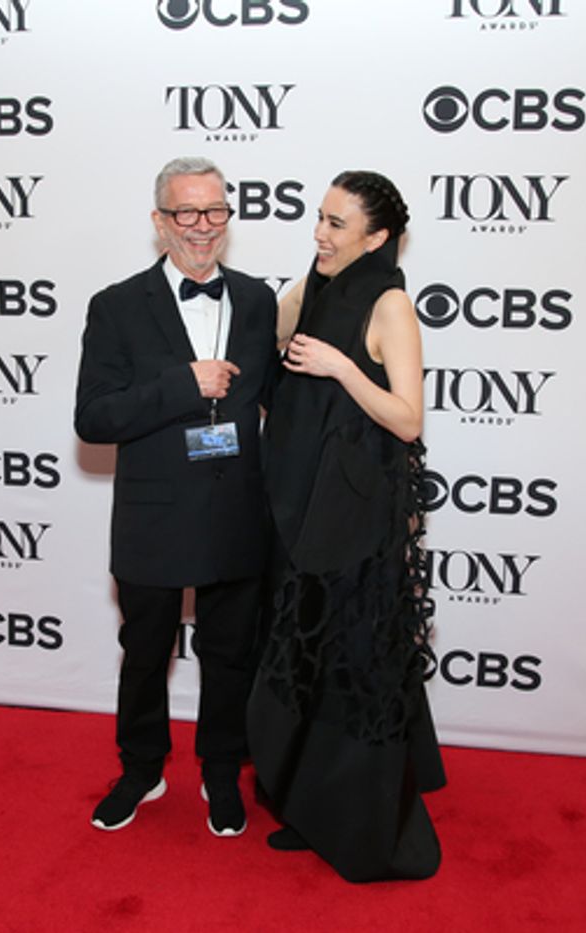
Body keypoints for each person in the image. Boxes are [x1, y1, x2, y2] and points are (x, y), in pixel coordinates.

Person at [247, 170, 446, 881]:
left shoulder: (391, 303)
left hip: (355, 517)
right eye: (319, 218)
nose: (320, 234)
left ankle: (360, 822)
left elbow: (408, 417)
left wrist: (340, 367)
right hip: (299, 504)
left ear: (378, 235)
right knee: (309, 661)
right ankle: (307, 803)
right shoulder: (314, 288)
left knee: (349, 663)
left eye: (336, 224)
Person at [75, 156, 278, 837]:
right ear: (160, 221)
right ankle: (141, 768)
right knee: (145, 650)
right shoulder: (116, 305)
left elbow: (278, 400)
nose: (202, 226)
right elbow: (94, 418)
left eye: (215, 210)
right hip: (154, 517)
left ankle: (222, 771)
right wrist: (183, 384)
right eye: (186, 212)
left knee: (230, 655)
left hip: (235, 512)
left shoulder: (256, 299)